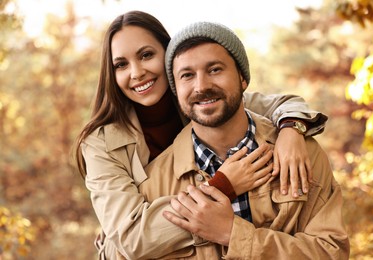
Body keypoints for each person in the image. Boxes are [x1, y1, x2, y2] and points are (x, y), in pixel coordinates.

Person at [73, 11, 328, 259]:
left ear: (169, 54)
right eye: (121, 65)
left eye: (146, 55)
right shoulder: (101, 143)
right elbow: (131, 239)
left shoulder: (204, 101)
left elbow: (283, 104)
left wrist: (291, 130)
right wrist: (224, 185)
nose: (137, 72)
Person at [138, 21, 350, 259]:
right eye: (187, 75)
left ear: (242, 78)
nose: (202, 86)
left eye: (215, 69)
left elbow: (332, 252)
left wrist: (232, 233)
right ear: (176, 90)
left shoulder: (302, 154)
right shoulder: (153, 183)